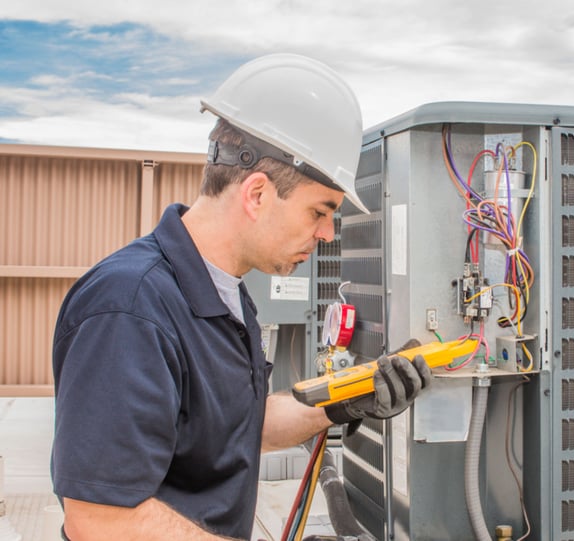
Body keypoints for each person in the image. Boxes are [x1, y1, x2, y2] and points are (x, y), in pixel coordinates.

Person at [51, 53, 431, 541]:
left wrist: (351, 398)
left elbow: (241, 429)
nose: (328, 233)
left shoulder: (225, 294)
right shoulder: (130, 308)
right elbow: (101, 519)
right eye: (320, 211)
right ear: (256, 194)